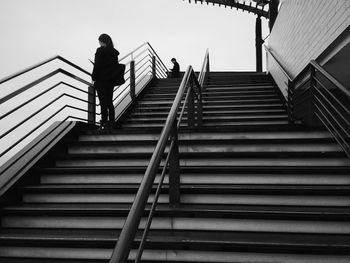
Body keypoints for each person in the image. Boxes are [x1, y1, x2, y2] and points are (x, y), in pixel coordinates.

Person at [92, 33, 119, 132]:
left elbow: (97, 65)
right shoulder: (114, 52)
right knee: (109, 102)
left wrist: (93, 77)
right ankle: (112, 122)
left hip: (101, 80)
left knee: (103, 102)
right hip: (110, 81)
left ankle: (103, 123)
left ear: (101, 41)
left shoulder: (100, 50)